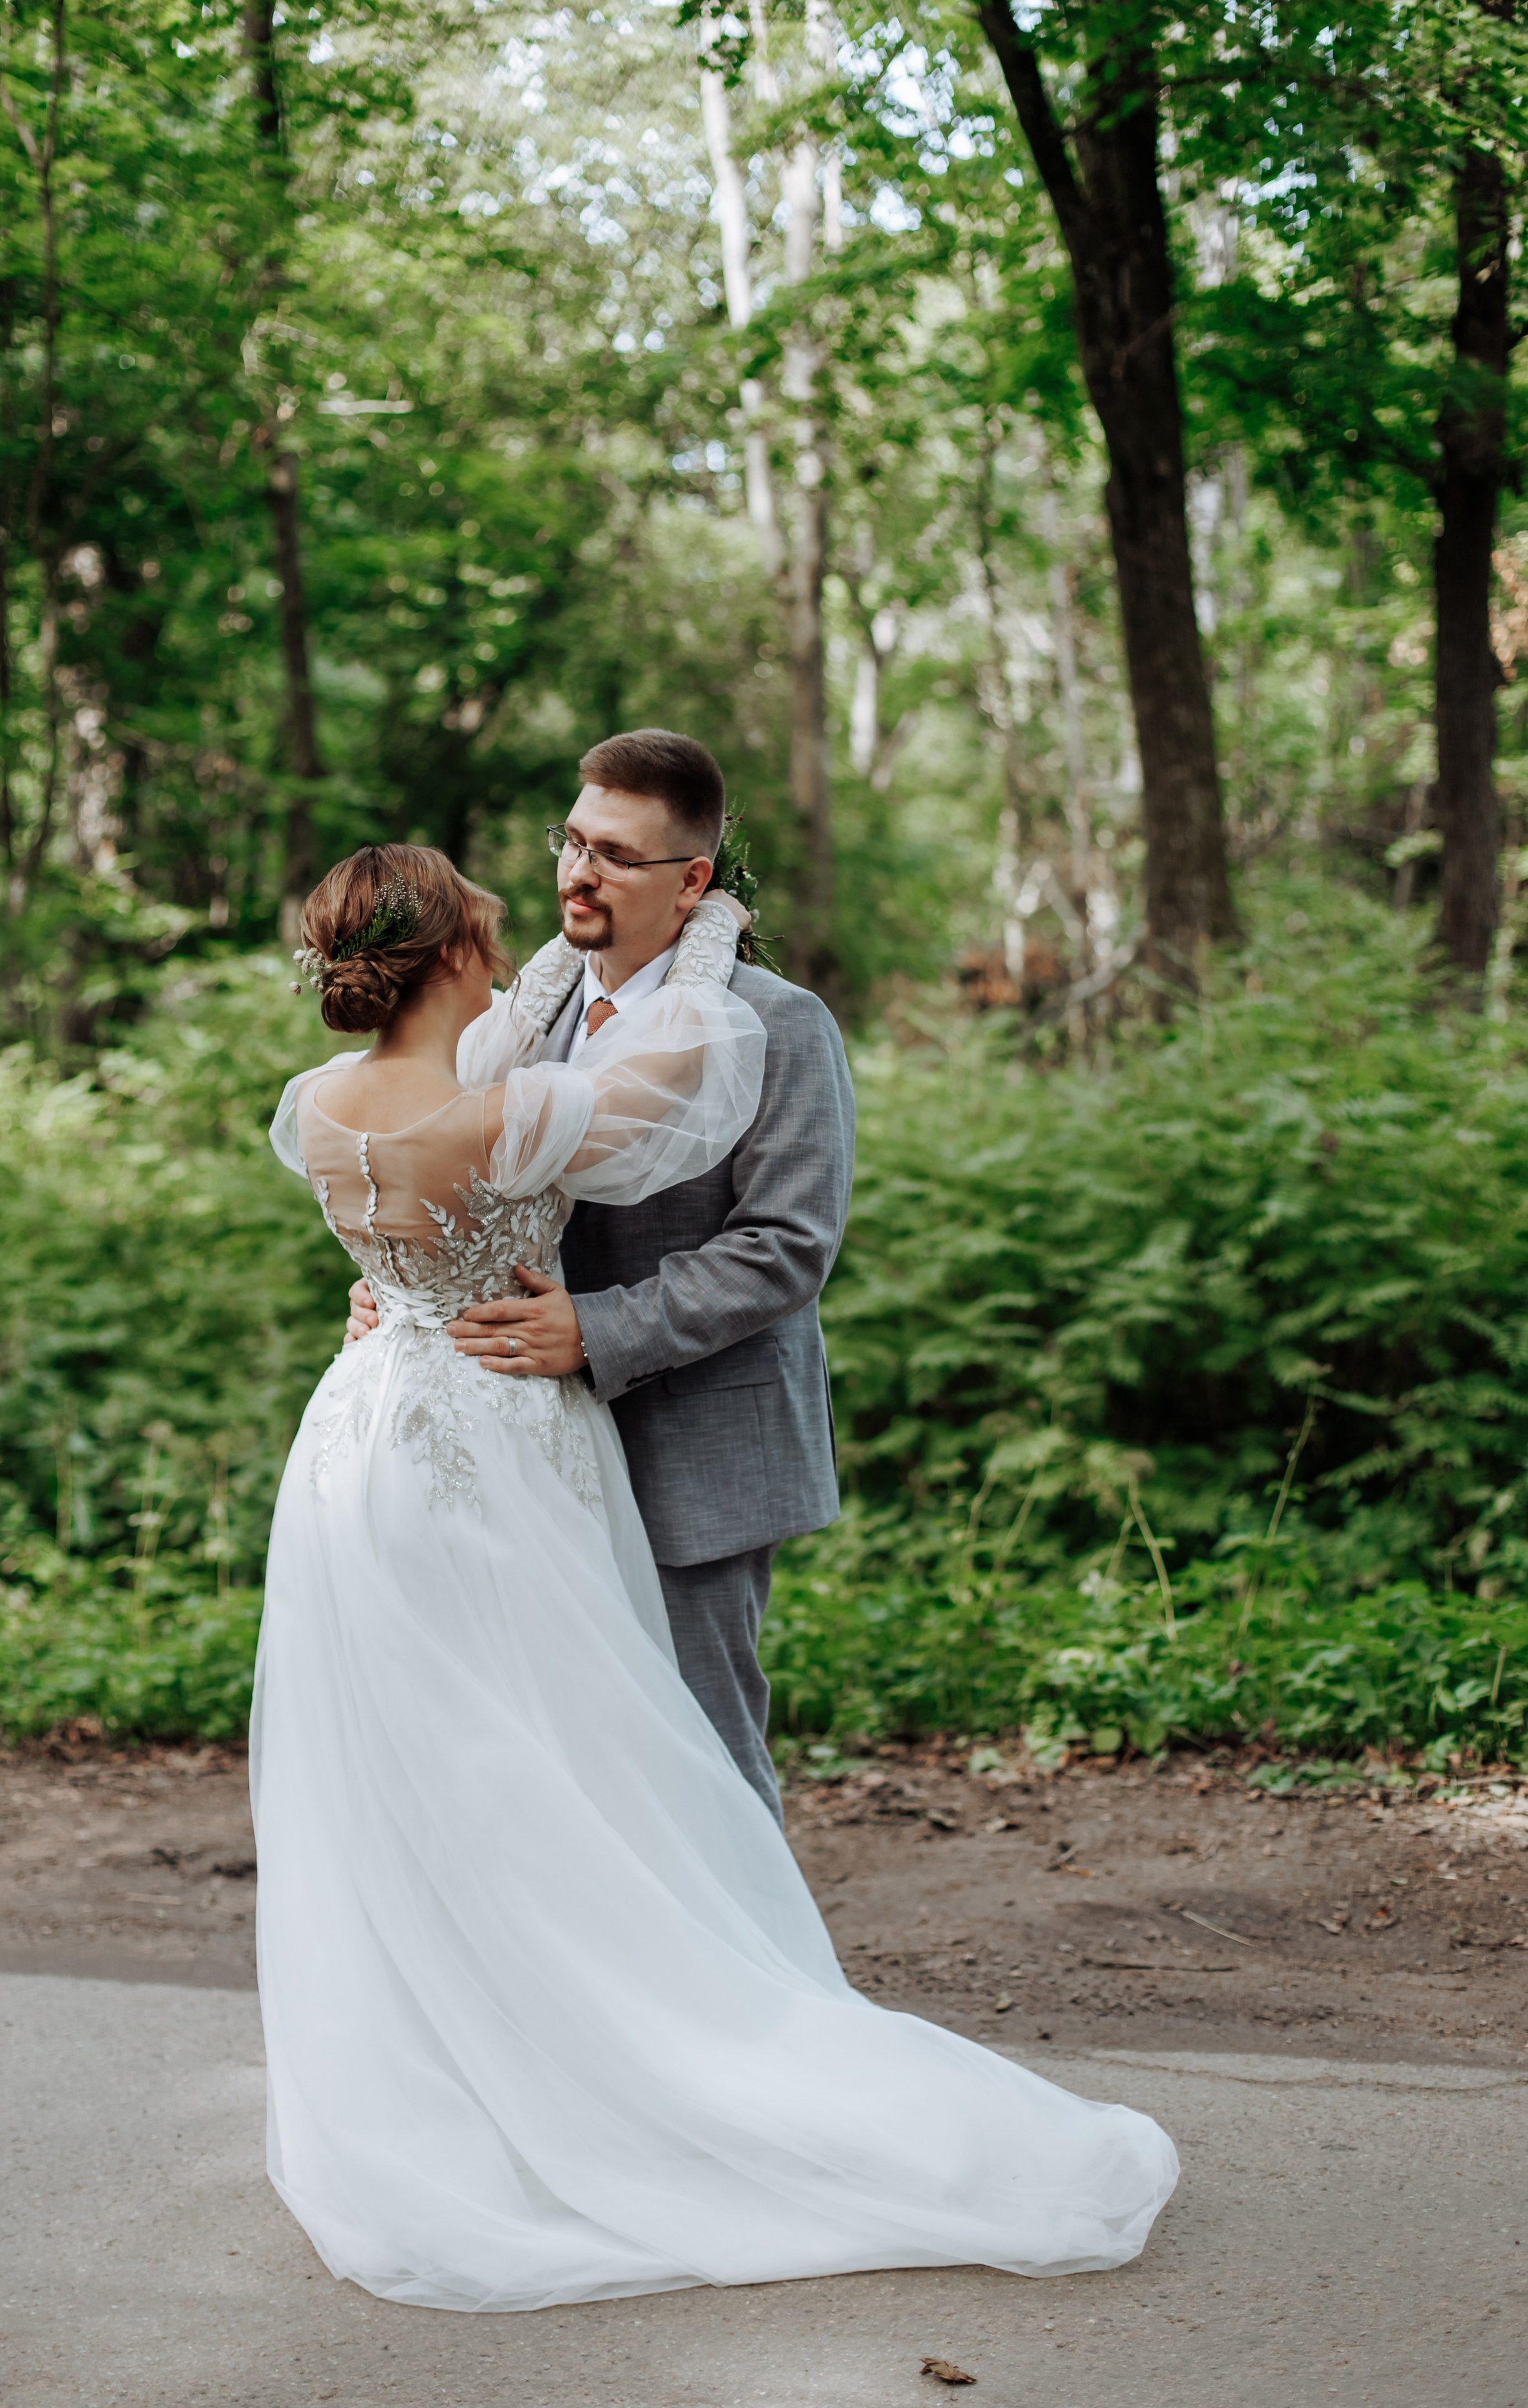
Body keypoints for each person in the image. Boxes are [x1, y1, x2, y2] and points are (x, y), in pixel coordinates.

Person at [255, 833, 1179, 2315]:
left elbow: (405, 1233)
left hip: (360, 1450)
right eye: (489, 926)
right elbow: (684, 1085)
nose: (514, 938)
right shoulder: (509, 1113)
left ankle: (456, 2074)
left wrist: (402, 1277)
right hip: (498, 1443)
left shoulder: (316, 1113)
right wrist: (701, 930)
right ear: (445, 958)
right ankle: (644, 2060)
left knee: (421, 1768)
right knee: (579, 1758)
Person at [346, 729, 854, 1820]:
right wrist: (402, 1288)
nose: (579, 872)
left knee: (701, 1758)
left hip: (691, 1443)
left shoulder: (780, 1025)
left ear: (692, 883)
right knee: (545, 1758)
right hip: (519, 1446)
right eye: (572, 842)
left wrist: (598, 1330)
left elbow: (790, 1244)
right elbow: (449, 1182)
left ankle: (747, 1989)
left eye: (617, 856)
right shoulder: (507, 1019)